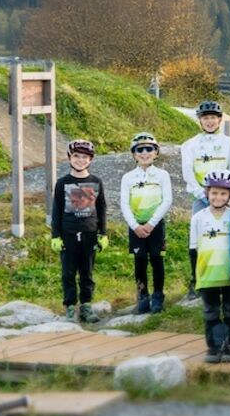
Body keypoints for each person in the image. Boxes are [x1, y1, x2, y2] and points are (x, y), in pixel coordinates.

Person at [51, 138, 107, 322]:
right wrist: (56, 236)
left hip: (90, 233)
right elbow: (56, 210)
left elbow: (102, 209)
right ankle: (69, 306)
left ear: (91, 159)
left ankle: (86, 306)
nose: (80, 160)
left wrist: (103, 233)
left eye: (84, 157)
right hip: (68, 234)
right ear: (69, 157)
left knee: (87, 273)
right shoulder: (62, 182)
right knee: (68, 272)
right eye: (76, 156)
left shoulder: (96, 181)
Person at [119, 132, 174, 315]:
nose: (144, 153)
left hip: (155, 225)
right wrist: (135, 226)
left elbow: (167, 200)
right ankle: (143, 296)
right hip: (136, 226)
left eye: (149, 149)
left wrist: (151, 224)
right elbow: (124, 203)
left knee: (157, 260)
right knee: (139, 261)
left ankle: (158, 296)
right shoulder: (128, 177)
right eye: (140, 150)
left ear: (156, 153)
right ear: (134, 154)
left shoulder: (162, 175)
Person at [192, 172, 230, 363]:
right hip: (207, 274)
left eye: (223, 194)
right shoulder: (198, 218)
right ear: (207, 192)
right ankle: (213, 346)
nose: (218, 197)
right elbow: (193, 247)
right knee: (210, 311)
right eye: (214, 193)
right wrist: (194, 275)